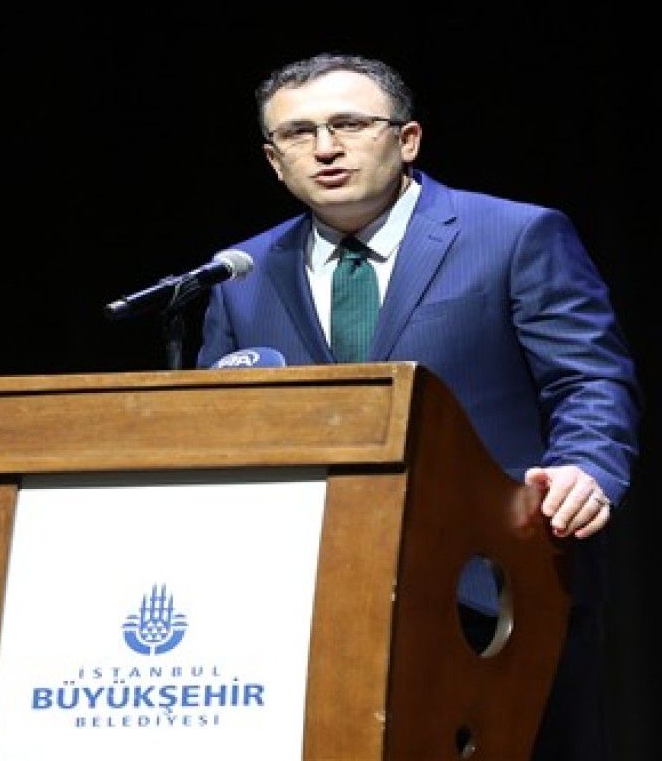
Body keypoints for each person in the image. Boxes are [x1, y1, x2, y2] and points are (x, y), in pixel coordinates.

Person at [196, 52, 641, 760]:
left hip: (491, 588)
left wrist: (586, 468)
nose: (326, 148)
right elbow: (218, 427)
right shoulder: (238, 276)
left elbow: (587, 379)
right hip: (306, 603)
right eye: (299, 133)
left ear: (407, 139)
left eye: (349, 124)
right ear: (275, 161)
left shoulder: (514, 236)